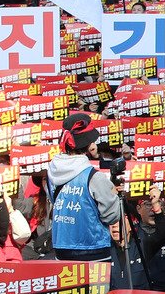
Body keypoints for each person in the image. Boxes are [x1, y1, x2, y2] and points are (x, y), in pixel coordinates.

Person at [47, 113, 123, 263]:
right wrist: (115, 194)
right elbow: (111, 216)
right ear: (90, 145)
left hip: (61, 249)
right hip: (93, 250)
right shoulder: (94, 177)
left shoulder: (51, 173)